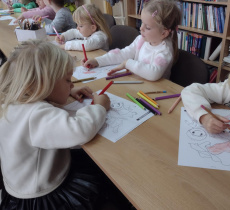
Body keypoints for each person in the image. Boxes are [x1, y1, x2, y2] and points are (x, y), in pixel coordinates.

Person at [0, 40, 112, 209]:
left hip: (19, 184)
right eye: (68, 80)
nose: (73, 84)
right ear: (42, 85)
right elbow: (80, 130)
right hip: (43, 197)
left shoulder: (12, 100)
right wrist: (99, 107)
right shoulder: (36, 115)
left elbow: (42, 105)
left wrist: (66, 92)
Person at [82, 0, 181, 81]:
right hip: (138, 84)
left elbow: (153, 74)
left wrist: (127, 63)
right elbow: (123, 53)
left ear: (164, 33)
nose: (141, 28)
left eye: (147, 27)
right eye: (142, 23)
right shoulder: (142, 40)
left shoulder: (165, 50)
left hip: (156, 93)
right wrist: (97, 61)